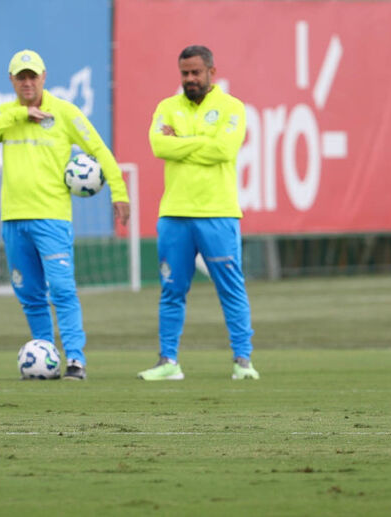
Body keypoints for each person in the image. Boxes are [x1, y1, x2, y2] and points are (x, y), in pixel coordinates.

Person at [0, 49, 130, 380]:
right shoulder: (7, 114)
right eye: (21, 77)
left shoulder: (65, 113)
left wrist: (119, 192)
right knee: (29, 294)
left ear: (44, 77)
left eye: (33, 76)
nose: (27, 82)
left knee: (61, 288)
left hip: (52, 218)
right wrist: (20, 116)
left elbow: (99, 150)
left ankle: (75, 359)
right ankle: (46, 357)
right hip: (14, 220)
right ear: (12, 80)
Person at [139, 45, 259, 381]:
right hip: (174, 213)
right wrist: (200, 142)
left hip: (218, 213)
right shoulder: (166, 107)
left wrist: (182, 142)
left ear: (211, 72)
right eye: (185, 73)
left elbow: (225, 149)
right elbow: (158, 145)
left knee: (231, 288)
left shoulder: (231, 107)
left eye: (195, 72)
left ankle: (243, 361)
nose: (190, 79)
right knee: (171, 289)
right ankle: (168, 362)